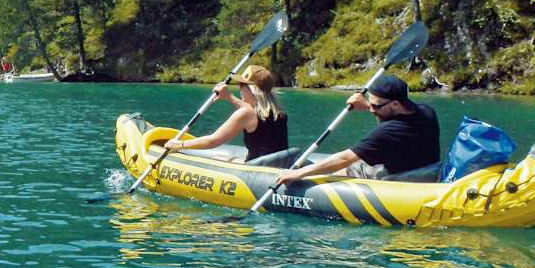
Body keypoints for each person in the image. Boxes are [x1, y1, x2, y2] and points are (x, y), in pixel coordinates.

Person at [274, 74, 439, 185]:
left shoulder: (387, 132)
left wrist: (299, 173)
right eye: (371, 104)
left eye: (375, 106)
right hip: (424, 173)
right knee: (362, 162)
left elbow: (344, 158)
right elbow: (396, 120)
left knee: (350, 167)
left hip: (398, 181)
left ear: (395, 104)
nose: (372, 110)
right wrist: (367, 106)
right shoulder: (427, 112)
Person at [164, 65, 288, 162]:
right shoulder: (279, 112)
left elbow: (214, 141)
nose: (239, 89)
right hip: (276, 165)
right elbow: (252, 112)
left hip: (256, 169)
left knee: (216, 158)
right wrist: (228, 97)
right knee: (222, 157)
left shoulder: (245, 113)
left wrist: (180, 144)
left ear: (252, 89)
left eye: (242, 85)